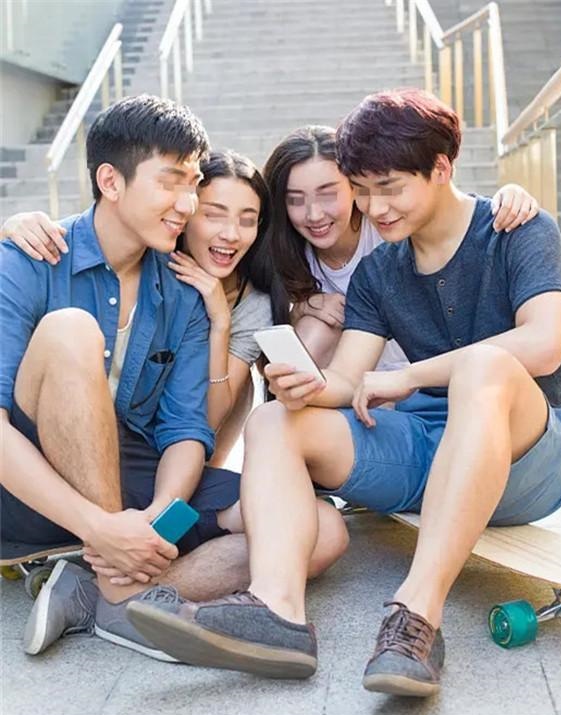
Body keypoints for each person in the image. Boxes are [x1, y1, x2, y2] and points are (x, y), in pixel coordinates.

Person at [126, 89, 561, 696]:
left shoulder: (515, 229)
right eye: (363, 190)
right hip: (426, 448)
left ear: (441, 167)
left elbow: (544, 344)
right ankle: (276, 611)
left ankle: (416, 616)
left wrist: (409, 376)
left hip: (531, 458)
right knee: (274, 422)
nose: (374, 208)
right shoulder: (380, 270)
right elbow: (345, 380)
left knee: (485, 369)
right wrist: (308, 385)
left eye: (389, 188)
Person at [0, 96, 348, 662]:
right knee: (69, 330)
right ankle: (119, 584)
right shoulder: (30, 258)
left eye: (193, 185)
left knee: (322, 529)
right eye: (171, 183)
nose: (187, 204)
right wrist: (102, 527)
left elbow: (186, 429)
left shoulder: (184, 288)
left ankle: (98, 597)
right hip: (30, 490)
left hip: (134, 480)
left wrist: (159, 519)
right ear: (110, 182)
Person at [1, 149, 290, 467]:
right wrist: (14, 225)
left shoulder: (252, 302)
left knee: (236, 394)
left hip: (174, 442)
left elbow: (205, 421)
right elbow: (97, 231)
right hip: (75, 421)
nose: (231, 235)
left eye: (247, 221)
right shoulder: (146, 257)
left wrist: (220, 322)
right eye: (213, 215)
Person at [263, 125, 539, 366]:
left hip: (420, 371)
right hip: (346, 374)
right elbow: (265, 350)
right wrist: (302, 307)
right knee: (313, 330)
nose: (314, 215)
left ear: (356, 185)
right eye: (295, 199)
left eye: (328, 194)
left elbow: (446, 213)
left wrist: (509, 195)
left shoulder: (389, 223)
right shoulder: (283, 247)